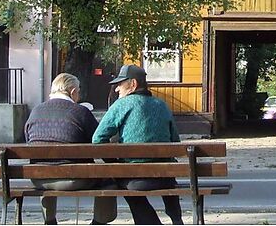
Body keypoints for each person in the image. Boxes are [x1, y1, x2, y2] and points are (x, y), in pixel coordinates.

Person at [92, 64, 183, 225]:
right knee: (166, 171)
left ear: (133, 84)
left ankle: (152, 223)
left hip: (135, 179)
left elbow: (97, 140)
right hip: (165, 176)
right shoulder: (162, 105)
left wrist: (115, 164)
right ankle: (176, 219)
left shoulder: (121, 105)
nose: (117, 90)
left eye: (120, 84)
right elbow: (175, 142)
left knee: (124, 184)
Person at [24, 73, 117, 225]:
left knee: (45, 167)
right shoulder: (80, 112)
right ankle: (98, 222)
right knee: (109, 181)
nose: (79, 95)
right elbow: (99, 144)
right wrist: (114, 165)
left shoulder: (35, 112)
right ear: (72, 91)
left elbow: (28, 140)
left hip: (39, 179)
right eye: (78, 91)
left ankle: (50, 220)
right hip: (74, 179)